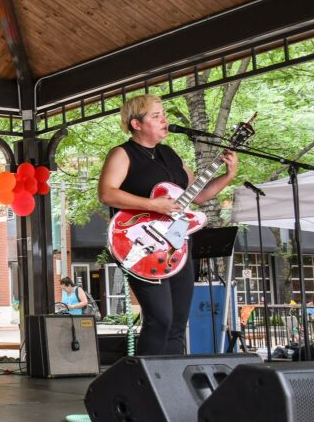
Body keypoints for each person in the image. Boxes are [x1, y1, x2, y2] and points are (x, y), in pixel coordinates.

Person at [98, 94, 237, 355]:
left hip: (176, 244)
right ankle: (143, 385)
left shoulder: (171, 155)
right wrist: (153, 205)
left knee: (176, 322)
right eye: (156, 116)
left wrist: (228, 175)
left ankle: (172, 383)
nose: (165, 120)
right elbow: (107, 193)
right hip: (139, 244)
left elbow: (200, 194)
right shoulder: (122, 154)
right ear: (136, 124)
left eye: (164, 115)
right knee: (160, 318)